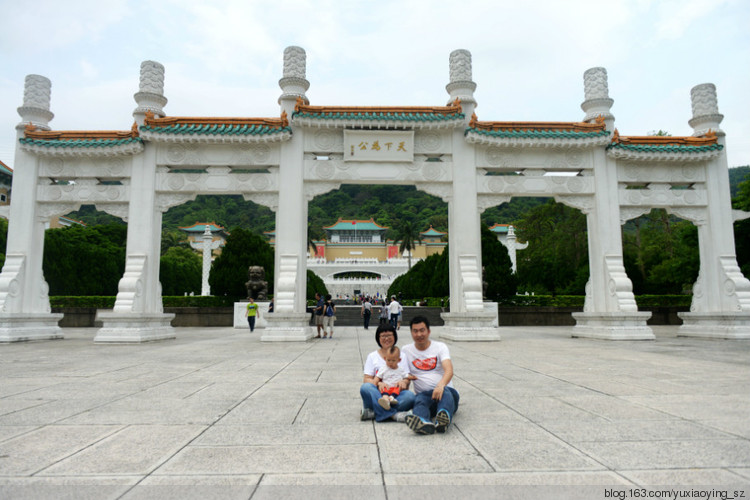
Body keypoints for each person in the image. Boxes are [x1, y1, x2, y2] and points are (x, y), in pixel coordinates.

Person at [401, 315, 459, 435]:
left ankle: (443, 417)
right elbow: (405, 375)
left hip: (447, 392)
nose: (419, 334)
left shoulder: (440, 347)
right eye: (415, 331)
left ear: (428, 331)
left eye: (422, 330)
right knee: (419, 401)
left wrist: (440, 385)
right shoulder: (406, 350)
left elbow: (449, 370)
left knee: (446, 392)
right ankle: (423, 422)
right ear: (411, 333)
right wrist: (405, 384)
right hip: (425, 396)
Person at [359, 324, 415, 422]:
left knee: (410, 396)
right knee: (366, 387)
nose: (386, 339)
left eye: (389, 335)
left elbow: (407, 379)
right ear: (378, 338)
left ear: (394, 337)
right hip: (378, 395)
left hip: (395, 396)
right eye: (383, 336)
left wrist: (404, 382)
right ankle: (394, 415)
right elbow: (366, 379)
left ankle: (374, 413)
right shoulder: (372, 356)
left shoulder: (402, 356)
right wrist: (378, 383)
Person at [373, 345, 416, 410]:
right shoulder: (383, 369)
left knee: (398, 389)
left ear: (399, 360)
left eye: (393, 361)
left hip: (395, 388)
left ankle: (391, 398)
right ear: (385, 359)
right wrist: (378, 383)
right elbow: (377, 378)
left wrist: (412, 377)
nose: (390, 363)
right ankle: (385, 399)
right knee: (383, 389)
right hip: (386, 387)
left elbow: (406, 376)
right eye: (388, 360)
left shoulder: (401, 369)